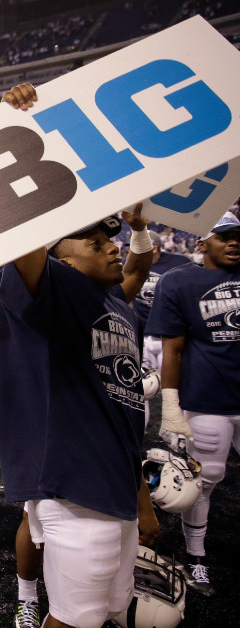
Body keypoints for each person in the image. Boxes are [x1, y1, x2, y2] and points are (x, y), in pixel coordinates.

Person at [0, 82, 159, 628]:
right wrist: (9, 130)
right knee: (75, 619)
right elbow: (20, 240)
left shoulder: (114, 301)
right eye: (96, 241)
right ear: (61, 256)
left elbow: (124, 413)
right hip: (72, 487)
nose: (110, 245)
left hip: (114, 481)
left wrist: (142, 500)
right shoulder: (51, 291)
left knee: (114, 613)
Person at [146, 210, 240, 598]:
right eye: (226, 236)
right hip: (208, 398)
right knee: (206, 479)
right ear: (203, 242)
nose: (235, 242)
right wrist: (171, 404)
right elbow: (174, 348)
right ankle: (196, 557)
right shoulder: (180, 280)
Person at [130, 231, 192, 373]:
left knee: (171, 379)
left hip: (170, 334)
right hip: (143, 334)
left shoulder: (180, 262)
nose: (133, 251)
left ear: (154, 248)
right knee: (148, 384)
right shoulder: (131, 265)